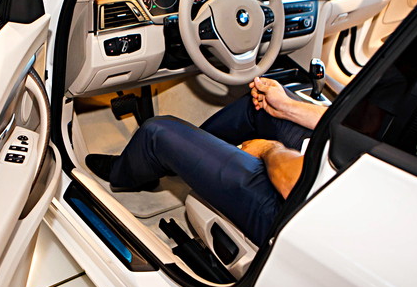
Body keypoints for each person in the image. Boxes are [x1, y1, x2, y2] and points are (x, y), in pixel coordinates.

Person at [85, 77, 327, 246]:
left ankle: (126, 174)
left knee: (156, 132)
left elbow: (292, 183)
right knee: (258, 107)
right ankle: (183, 155)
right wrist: (285, 107)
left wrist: (268, 148)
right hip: (321, 159)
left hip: (297, 210)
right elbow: (342, 127)